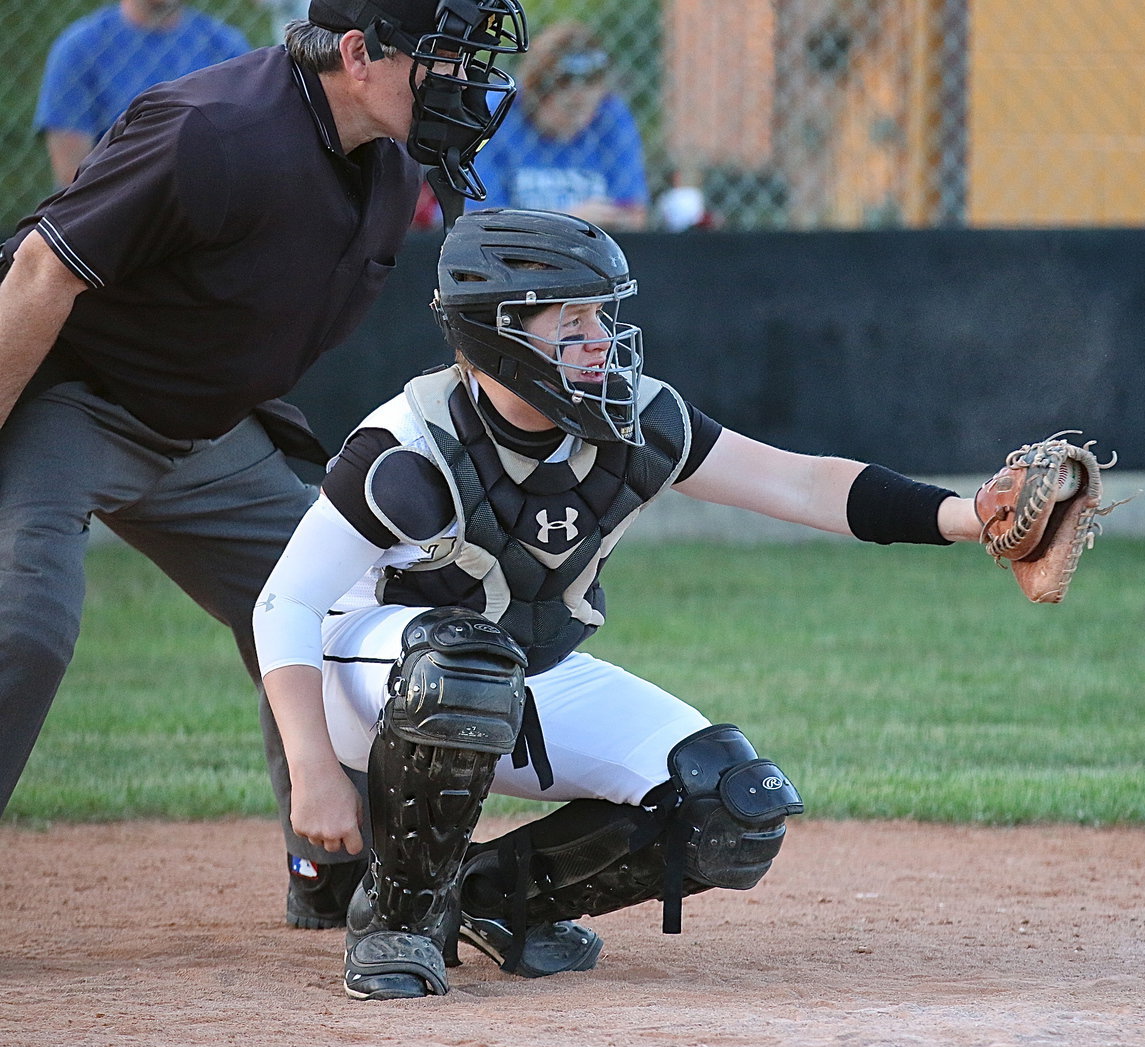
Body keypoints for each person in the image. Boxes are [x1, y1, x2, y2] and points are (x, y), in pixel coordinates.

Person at [252, 207, 989, 1000]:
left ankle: (493, 897)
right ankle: (396, 921)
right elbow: (284, 605)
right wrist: (313, 770)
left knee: (730, 807)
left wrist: (966, 518)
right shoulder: (407, 447)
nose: (601, 340)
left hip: (521, 668)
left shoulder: (636, 419)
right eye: (572, 322)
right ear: (500, 334)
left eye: (603, 316)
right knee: (465, 663)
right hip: (375, 690)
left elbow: (804, 483)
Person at [0, 0, 528, 932]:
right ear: (360, 54)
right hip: (67, 395)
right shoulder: (211, 131)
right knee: (24, 622)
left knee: (340, 609)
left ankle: (336, 866)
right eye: (441, 61)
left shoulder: (389, 159)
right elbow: (43, 270)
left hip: (205, 429)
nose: (464, 85)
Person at [34, 0, 252, 188]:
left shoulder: (225, 46)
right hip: (111, 213)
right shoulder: (79, 49)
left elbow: (247, 154)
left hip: (210, 210)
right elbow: (71, 177)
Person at [464, 21, 648, 230]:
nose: (580, 95)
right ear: (536, 90)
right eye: (569, 104)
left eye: (591, 84)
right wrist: (569, 221)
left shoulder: (610, 115)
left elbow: (633, 215)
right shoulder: (498, 114)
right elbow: (475, 221)